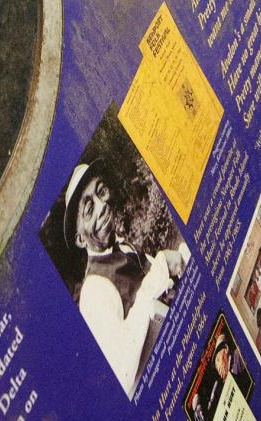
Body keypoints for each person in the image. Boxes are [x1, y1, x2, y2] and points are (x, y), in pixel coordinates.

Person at [62, 161, 189, 398]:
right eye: (89, 209)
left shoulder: (121, 246)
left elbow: (162, 284)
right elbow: (123, 371)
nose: (102, 205)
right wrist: (161, 267)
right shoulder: (93, 291)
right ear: (80, 239)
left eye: (101, 192)